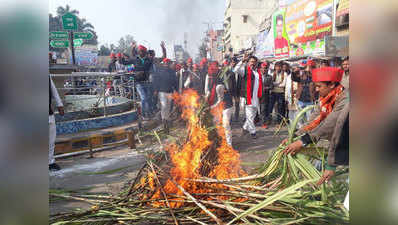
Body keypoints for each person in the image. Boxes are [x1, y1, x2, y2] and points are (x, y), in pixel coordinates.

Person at [283, 67, 348, 185]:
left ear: (332, 84)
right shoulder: (324, 99)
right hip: (333, 143)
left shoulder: (345, 100)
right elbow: (313, 120)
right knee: (319, 171)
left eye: (319, 86)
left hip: (347, 145)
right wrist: (295, 135)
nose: (316, 90)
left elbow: (329, 125)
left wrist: (303, 141)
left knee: (342, 179)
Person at [234, 55, 263, 139]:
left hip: (256, 98)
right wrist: (242, 61)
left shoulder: (258, 73)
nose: (252, 64)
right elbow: (235, 70)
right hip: (248, 97)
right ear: (248, 62)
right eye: (251, 62)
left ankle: (244, 128)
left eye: (254, 62)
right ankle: (253, 132)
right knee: (250, 116)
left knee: (252, 115)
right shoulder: (245, 71)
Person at [152, 58, 178, 133]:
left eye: (168, 63)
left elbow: (175, 81)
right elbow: (156, 81)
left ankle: (167, 119)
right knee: (164, 106)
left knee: (168, 107)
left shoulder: (172, 71)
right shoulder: (159, 71)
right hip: (162, 92)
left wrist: (176, 90)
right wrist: (156, 90)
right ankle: (164, 121)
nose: (167, 64)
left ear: (169, 64)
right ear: (164, 63)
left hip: (170, 92)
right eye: (166, 63)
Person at [131, 45, 153, 119]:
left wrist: (163, 49)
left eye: (142, 51)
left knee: (148, 99)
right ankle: (143, 115)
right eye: (139, 51)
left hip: (147, 82)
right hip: (138, 83)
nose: (140, 52)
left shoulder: (148, 60)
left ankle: (148, 113)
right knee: (143, 98)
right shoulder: (135, 59)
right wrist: (132, 48)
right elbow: (124, 62)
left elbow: (148, 67)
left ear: (144, 52)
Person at [49, 77, 64, 171]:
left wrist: (60, 104)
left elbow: (53, 89)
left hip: (48, 112)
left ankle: (50, 162)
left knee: (51, 139)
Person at [295, 61, 316, 125]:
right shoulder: (302, 74)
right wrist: (295, 71)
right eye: (307, 66)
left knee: (309, 118)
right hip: (301, 99)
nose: (308, 68)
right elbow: (294, 78)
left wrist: (311, 72)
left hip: (310, 100)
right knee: (300, 118)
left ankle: (308, 132)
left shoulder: (315, 75)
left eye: (310, 67)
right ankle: (301, 132)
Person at [260, 61, 273, 127]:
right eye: (263, 68)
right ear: (260, 69)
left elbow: (271, 86)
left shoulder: (269, 77)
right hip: (256, 95)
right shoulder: (257, 76)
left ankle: (263, 123)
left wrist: (266, 88)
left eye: (265, 68)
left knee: (263, 109)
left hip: (265, 96)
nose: (264, 69)